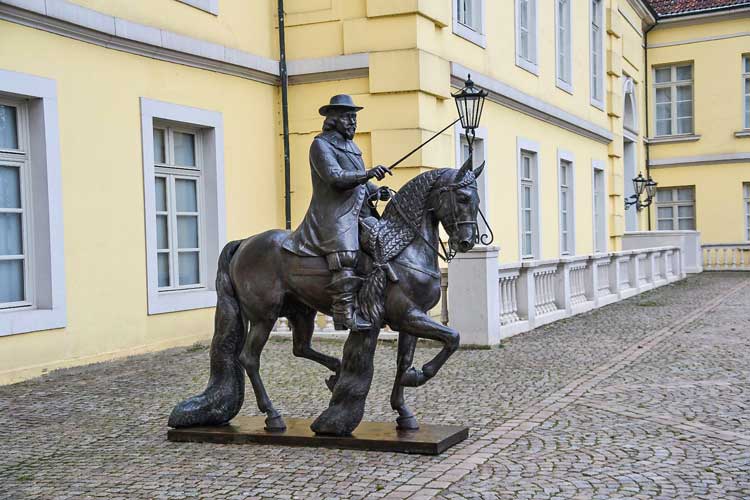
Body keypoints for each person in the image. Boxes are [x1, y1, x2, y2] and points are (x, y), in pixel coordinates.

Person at [282, 95, 391, 330]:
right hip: (334, 214)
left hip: (359, 212)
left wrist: (376, 191)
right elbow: (335, 177)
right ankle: (344, 314)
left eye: (354, 117)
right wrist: (368, 174)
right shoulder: (320, 145)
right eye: (347, 117)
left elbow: (360, 183)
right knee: (346, 256)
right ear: (333, 119)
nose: (353, 122)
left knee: (384, 241)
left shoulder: (353, 147)